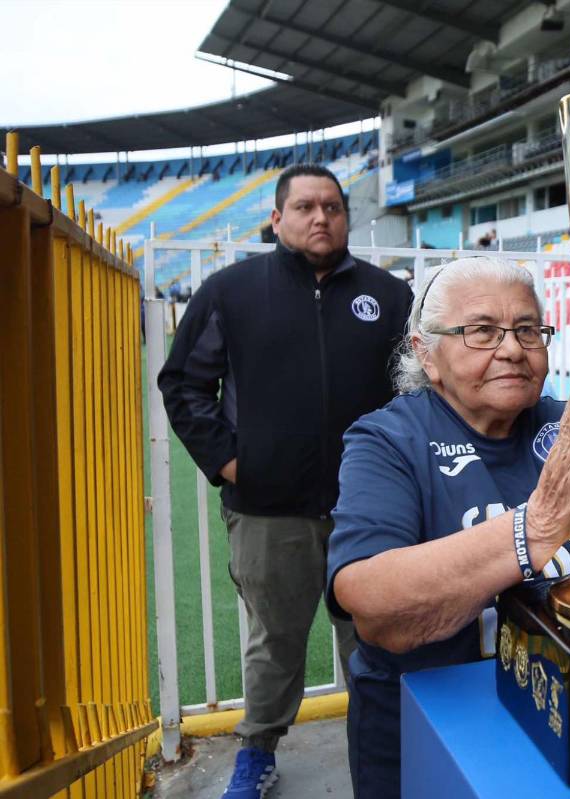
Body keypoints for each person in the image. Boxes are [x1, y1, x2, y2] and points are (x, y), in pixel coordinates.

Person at [326, 257, 570, 793]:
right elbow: (367, 598)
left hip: (568, 713)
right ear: (425, 353)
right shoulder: (387, 440)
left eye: (528, 329)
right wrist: (530, 532)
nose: (512, 348)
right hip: (429, 729)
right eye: (482, 331)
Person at [158, 164, 415, 797]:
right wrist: (233, 464)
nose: (320, 217)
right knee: (275, 640)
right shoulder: (231, 291)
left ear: (347, 218)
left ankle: (384, 756)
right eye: (304, 207)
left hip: (370, 510)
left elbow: (416, 391)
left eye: (331, 206)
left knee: (376, 639)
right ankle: (257, 750)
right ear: (277, 219)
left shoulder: (388, 296)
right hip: (270, 511)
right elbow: (185, 385)